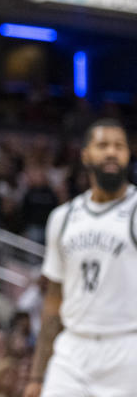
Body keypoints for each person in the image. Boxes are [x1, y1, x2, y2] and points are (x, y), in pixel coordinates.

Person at [24, 119, 137, 397]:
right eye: (103, 145)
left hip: (126, 348)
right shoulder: (62, 218)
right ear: (85, 154)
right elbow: (53, 301)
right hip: (72, 349)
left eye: (119, 146)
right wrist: (37, 375)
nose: (111, 152)